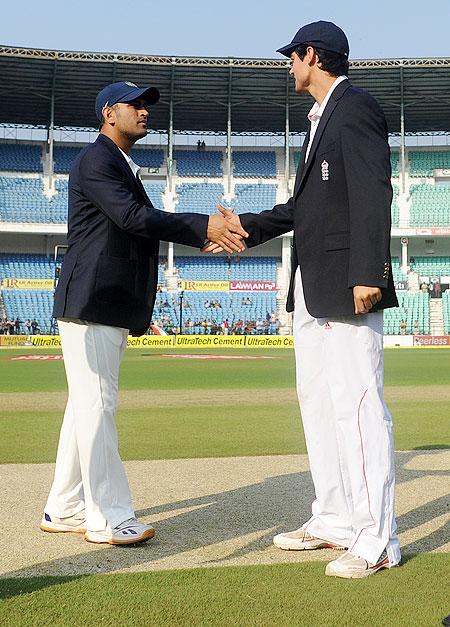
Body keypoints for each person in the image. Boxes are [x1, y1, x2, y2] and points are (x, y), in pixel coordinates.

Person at [206, 21, 401, 578]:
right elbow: (302, 209)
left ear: (310, 55)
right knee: (318, 405)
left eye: (292, 56)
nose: (289, 66)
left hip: (345, 283)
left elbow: (373, 191)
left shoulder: (355, 108)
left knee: (358, 408)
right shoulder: (320, 121)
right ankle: (336, 517)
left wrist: (369, 272)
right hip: (311, 287)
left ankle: (378, 538)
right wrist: (243, 225)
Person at [40, 81, 248, 547]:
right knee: (97, 407)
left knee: (85, 406)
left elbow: (141, 224)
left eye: (146, 105)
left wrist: (205, 236)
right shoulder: (98, 161)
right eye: (134, 105)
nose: (144, 112)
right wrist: (203, 226)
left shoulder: (117, 165)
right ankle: (109, 518)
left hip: (103, 301)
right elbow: (135, 219)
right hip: (93, 301)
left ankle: (64, 505)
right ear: (108, 114)